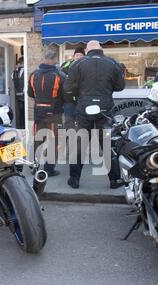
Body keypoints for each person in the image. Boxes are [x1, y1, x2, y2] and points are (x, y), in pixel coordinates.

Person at [64, 40, 125, 189]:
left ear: (87, 49)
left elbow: (68, 87)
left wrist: (80, 91)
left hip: (84, 107)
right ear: (100, 48)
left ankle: (74, 179)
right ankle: (114, 180)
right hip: (105, 108)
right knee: (107, 145)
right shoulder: (113, 63)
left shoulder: (77, 64)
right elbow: (120, 86)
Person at [28, 49, 66, 177]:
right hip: (54, 113)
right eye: (55, 60)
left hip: (38, 112)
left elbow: (30, 94)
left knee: (38, 139)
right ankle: (49, 169)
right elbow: (65, 95)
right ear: (54, 59)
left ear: (44, 59)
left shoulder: (33, 75)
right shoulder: (60, 75)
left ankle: (34, 166)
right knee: (53, 141)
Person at [60, 47, 85, 129]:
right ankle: (68, 140)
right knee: (69, 121)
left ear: (84, 56)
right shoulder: (66, 65)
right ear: (74, 56)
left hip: (82, 100)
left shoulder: (86, 66)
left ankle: (80, 140)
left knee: (82, 122)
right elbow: (61, 79)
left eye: (81, 55)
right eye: (77, 55)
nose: (78, 57)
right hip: (69, 100)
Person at [11, 56, 25, 129]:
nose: (21, 64)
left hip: (24, 95)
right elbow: (12, 77)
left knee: (23, 111)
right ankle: (21, 126)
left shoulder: (25, 71)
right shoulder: (15, 72)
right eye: (20, 63)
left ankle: (23, 126)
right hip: (19, 95)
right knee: (20, 112)